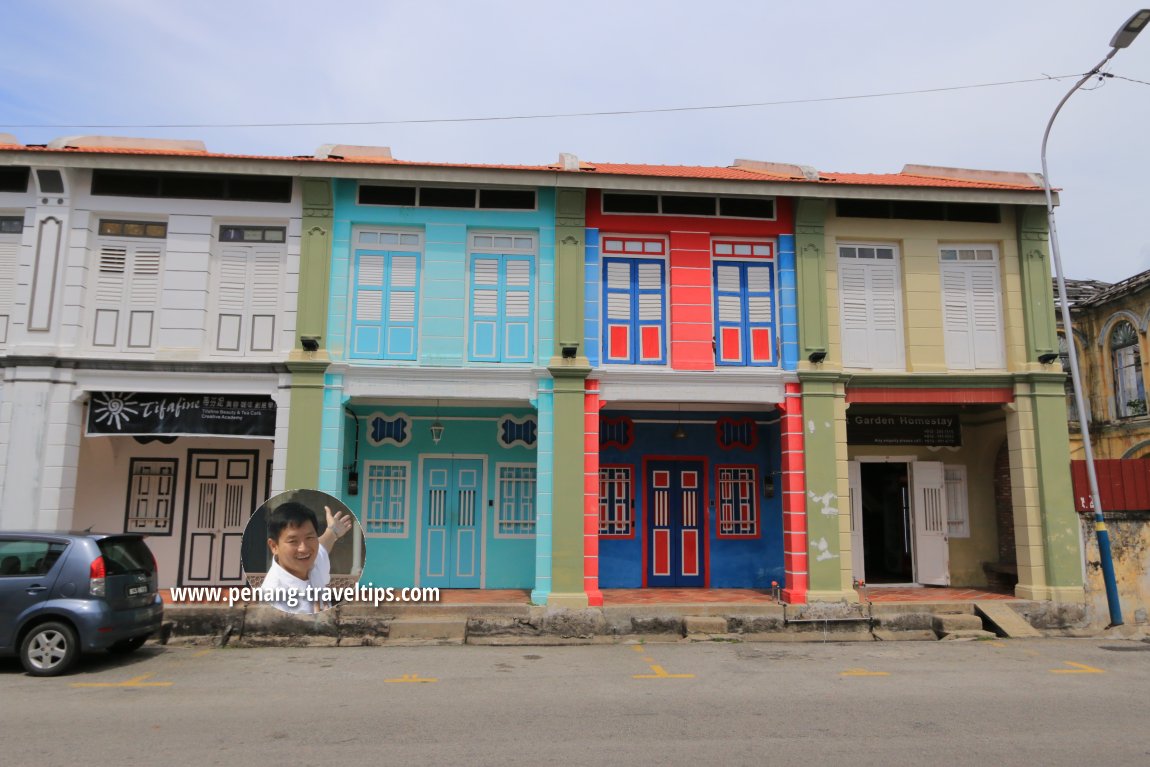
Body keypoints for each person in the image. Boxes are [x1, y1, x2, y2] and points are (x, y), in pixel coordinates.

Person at [260, 502, 353, 614]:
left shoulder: (313, 562)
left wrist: (333, 531)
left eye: (309, 537)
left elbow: (322, 546)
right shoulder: (274, 598)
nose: (303, 549)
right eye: (293, 541)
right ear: (274, 546)